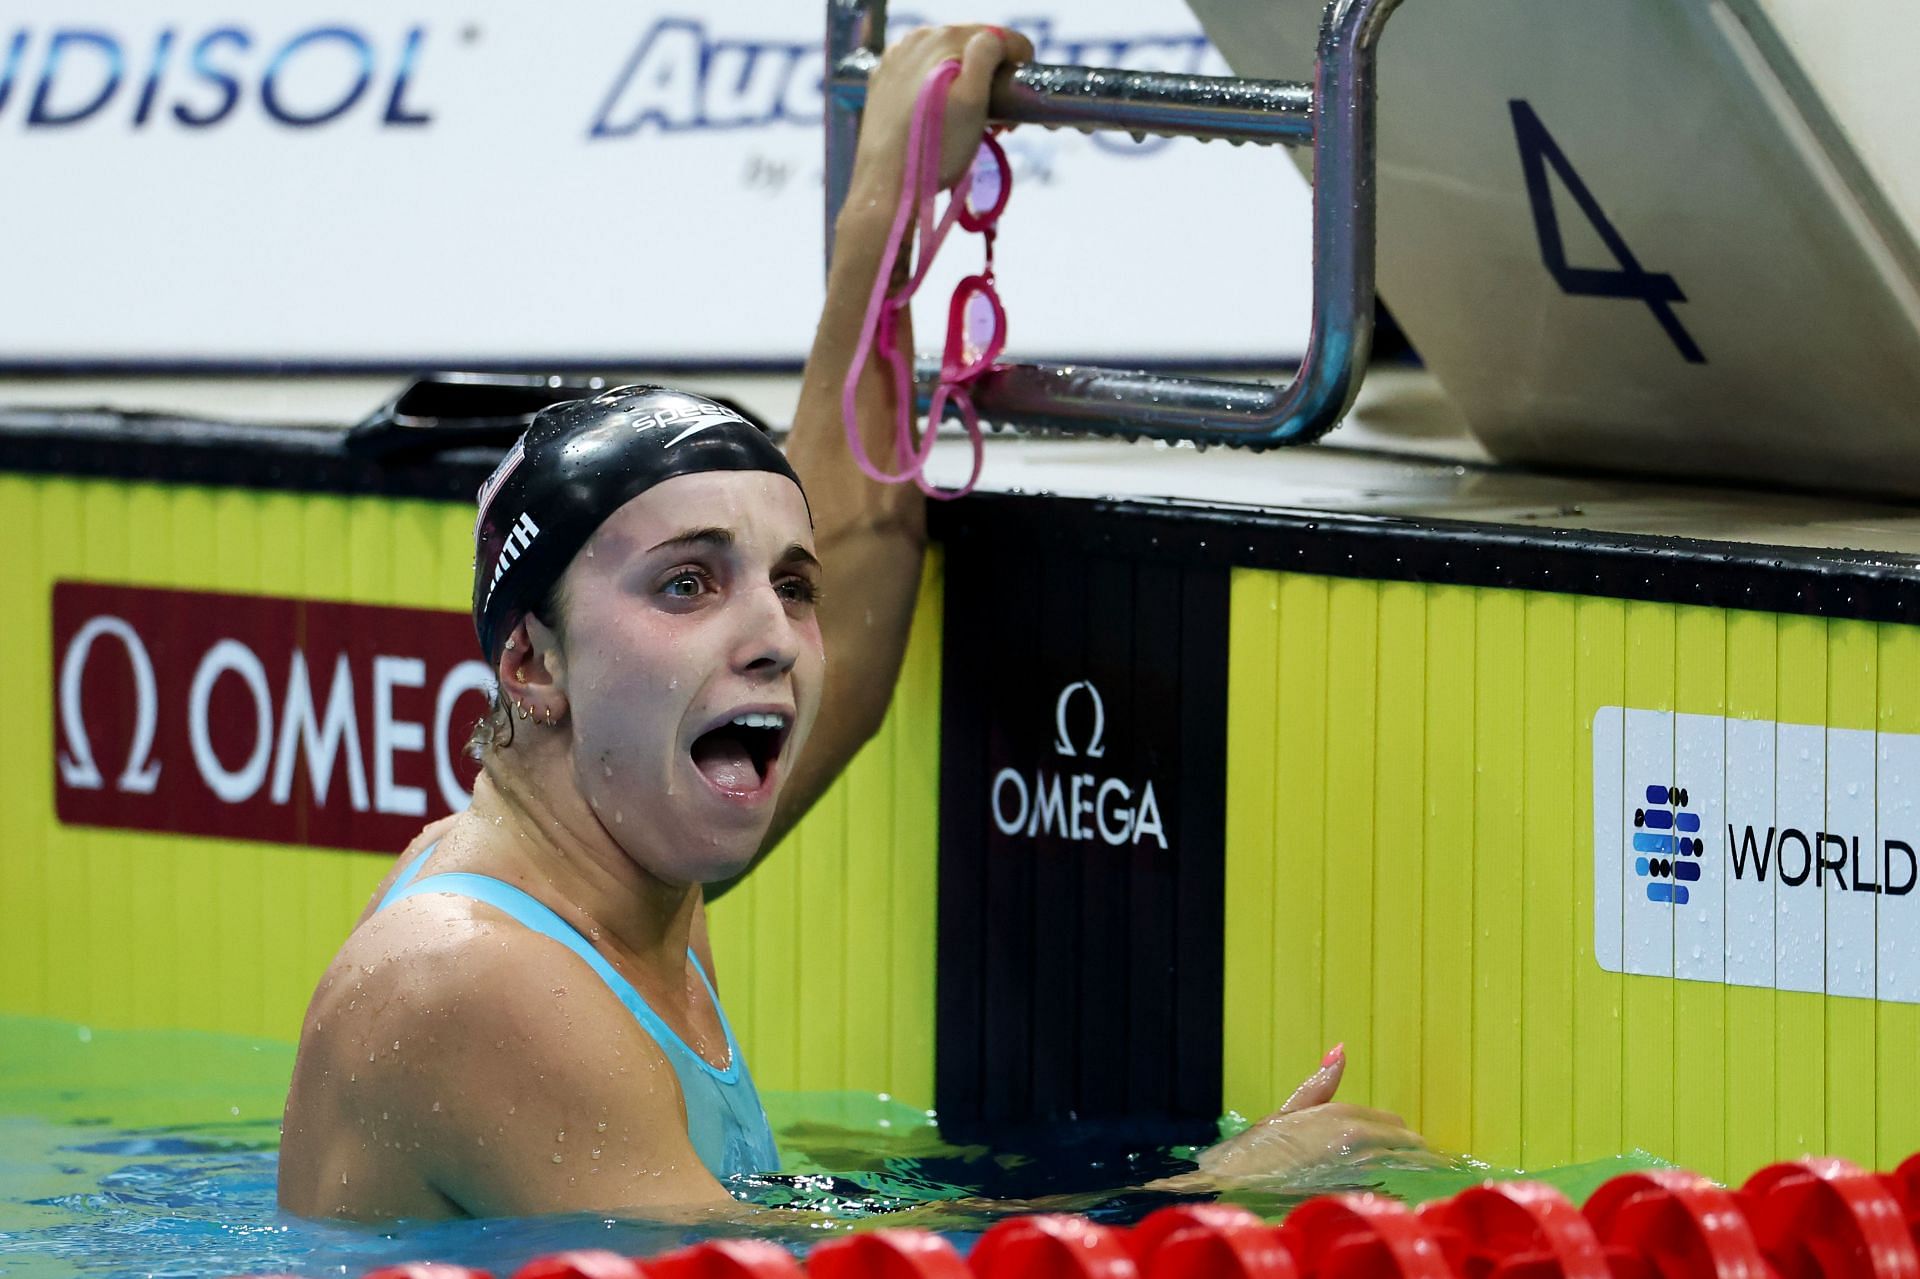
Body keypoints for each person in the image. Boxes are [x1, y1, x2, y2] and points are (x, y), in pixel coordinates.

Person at [277, 25, 1421, 1222]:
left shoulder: (617, 856)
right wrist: (1215, 1198)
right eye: (687, 585)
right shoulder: (478, 978)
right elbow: (792, 1267)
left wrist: (886, 209)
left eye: (790, 584)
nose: (772, 632)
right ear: (531, 660)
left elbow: (862, 625)